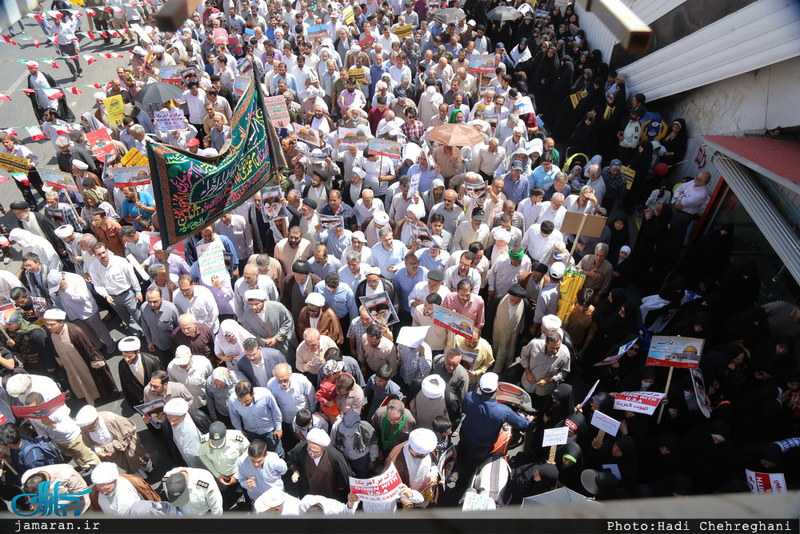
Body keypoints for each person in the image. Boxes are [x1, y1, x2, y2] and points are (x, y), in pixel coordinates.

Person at [454, 373, 533, 495]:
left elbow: (464, 409)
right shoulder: (503, 411)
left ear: (480, 388)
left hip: (465, 437)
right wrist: (529, 419)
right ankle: (460, 487)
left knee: (461, 454)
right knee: (471, 467)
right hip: (482, 446)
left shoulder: (470, 397)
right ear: (495, 390)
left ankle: (457, 467)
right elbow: (522, 424)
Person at [42, 309, 118, 406]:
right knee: (74, 379)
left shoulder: (75, 332)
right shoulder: (49, 332)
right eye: (47, 324)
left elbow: (89, 347)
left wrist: (95, 360)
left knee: (91, 379)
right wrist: (58, 358)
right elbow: (53, 347)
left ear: (61, 322)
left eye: (52, 324)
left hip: (82, 362)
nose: (49, 327)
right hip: (67, 362)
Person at [75, 405, 152, 479]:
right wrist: (98, 450)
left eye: (91, 427)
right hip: (113, 454)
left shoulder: (111, 419)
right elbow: (89, 443)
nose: (89, 430)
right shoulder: (85, 428)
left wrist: (110, 448)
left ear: (97, 420)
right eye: (87, 428)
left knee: (138, 460)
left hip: (127, 447)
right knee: (126, 466)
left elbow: (126, 437)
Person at [285, 428, 354, 501]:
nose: (312, 454)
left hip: (329, 491)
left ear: (324, 448)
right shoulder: (301, 449)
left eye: (316, 452)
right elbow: (292, 460)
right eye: (310, 450)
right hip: (309, 491)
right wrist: (296, 471)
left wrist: (341, 484)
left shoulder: (335, 456)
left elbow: (343, 474)